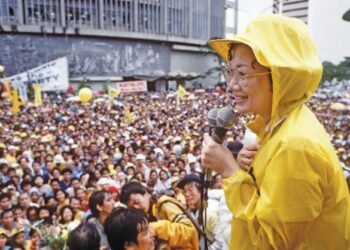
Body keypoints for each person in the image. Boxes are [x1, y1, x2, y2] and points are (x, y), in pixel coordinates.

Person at [201, 14, 350, 249]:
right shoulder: (276, 128)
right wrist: (243, 172)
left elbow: (271, 244)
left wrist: (229, 171)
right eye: (230, 72)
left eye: (243, 73)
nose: (231, 85)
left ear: (281, 77)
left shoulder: (295, 145)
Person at [120, 182, 199, 249]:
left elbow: (189, 231)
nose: (136, 207)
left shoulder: (163, 203)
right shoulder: (149, 211)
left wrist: (156, 228)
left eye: (136, 202)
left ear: (146, 194)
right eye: (132, 207)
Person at [177, 174, 222, 250]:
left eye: (190, 190)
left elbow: (222, 242)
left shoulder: (210, 212)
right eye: (184, 191)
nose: (187, 194)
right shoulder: (198, 210)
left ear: (201, 190)